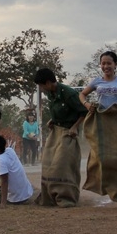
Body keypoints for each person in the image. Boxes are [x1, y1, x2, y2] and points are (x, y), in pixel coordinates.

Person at [78, 50, 117, 205]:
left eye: (109, 63)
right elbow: (82, 95)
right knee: (100, 157)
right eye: (103, 63)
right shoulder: (96, 82)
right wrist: (87, 105)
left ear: (115, 65)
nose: (106, 66)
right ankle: (102, 186)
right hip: (101, 121)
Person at [33, 67, 88, 207]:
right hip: (55, 131)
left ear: (47, 82)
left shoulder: (68, 93)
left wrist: (75, 127)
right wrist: (52, 120)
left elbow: (84, 112)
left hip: (68, 132)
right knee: (48, 162)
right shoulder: (50, 93)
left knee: (61, 165)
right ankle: (49, 198)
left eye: (41, 85)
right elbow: (58, 111)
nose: (41, 88)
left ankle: (66, 198)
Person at [0, 133, 34, 205]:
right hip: (27, 194)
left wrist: (3, 203)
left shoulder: (0, 159)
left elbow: (4, 181)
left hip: (16, 199)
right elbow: (1, 174)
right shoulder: (10, 150)